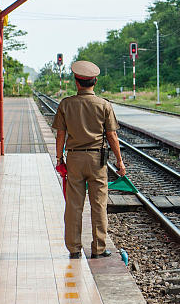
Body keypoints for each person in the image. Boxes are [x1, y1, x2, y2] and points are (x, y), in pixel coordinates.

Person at [53, 60, 126, 259]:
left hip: (74, 159)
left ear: (76, 82)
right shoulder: (104, 105)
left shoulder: (66, 104)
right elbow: (112, 136)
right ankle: (99, 248)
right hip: (97, 159)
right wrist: (119, 161)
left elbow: (61, 134)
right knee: (99, 203)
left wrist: (59, 159)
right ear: (94, 82)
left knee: (74, 205)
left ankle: (74, 249)